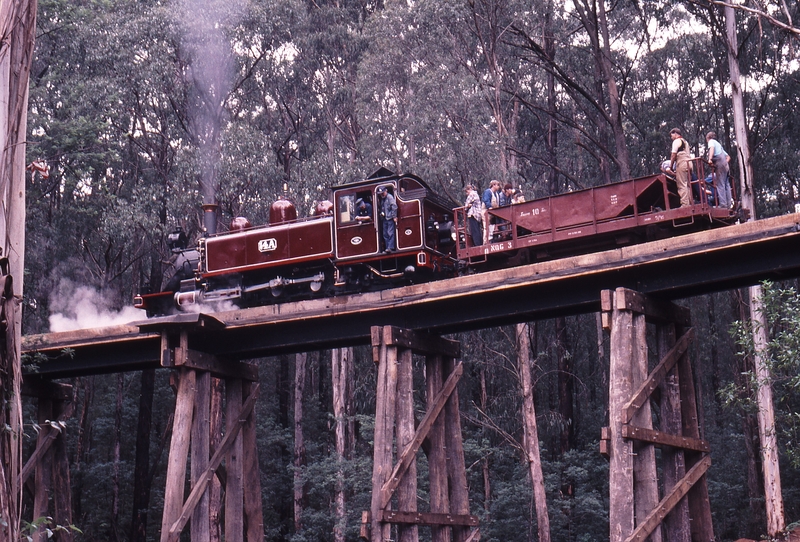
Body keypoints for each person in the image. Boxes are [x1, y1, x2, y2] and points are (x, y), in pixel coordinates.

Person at [705, 131, 732, 209]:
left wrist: (710, 159)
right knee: (727, 185)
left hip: (720, 164)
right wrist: (724, 163)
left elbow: (712, 149)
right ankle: (729, 205)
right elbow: (728, 157)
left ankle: (723, 205)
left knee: (720, 185)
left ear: (708, 138)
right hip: (726, 166)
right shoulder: (719, 145)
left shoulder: (711, 142)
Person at [668, 128, 693, 207]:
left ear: (675, 133)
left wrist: (671, 166)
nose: (671, 138)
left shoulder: (676, 141)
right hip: (689, 163)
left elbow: (673, 154)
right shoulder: (686, 142)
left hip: (682, 163)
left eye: (671, 136)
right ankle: (690, 203)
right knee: (688, 184)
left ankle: (685, 205)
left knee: (682, 184)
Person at [377, 185, 397, 252]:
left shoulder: (389, 197)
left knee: (390, 233)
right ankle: (387, 247)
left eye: (383, 193)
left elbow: (394, 206)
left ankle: (391, 247)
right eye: (381, 194)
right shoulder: (382, 199)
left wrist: (394, 216)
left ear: (386, 191)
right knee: (385, 234)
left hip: (390, 218)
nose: (382, 194)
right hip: (384, 219)